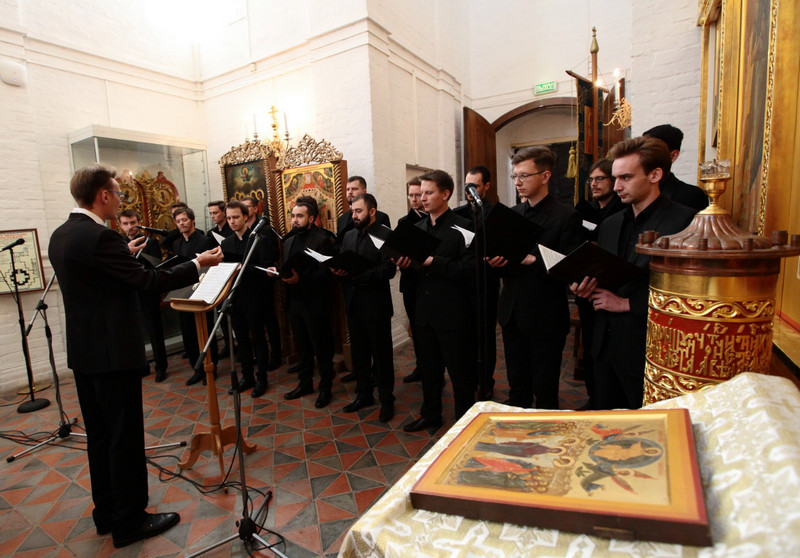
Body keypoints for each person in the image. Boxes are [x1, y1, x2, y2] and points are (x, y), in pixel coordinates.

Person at [48, 164, 223, 548]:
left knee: (100, 437)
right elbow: (148, 281)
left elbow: (94, 281)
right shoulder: (100, 237)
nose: (120, 199)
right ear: (103, 195)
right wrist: (198, 264)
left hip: (85, 353)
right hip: (113, 354)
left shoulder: (62, 234)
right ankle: (129, 521)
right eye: (117, 193)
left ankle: (107, 513)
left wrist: (123, 256)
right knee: (124, 438)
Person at [571, 136, 697, 409]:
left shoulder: (685, 221)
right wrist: (584, 285)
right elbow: (608, 275)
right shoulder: (611, 223)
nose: (617, 186)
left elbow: (689, 291)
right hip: (605, 345)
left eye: (626, 177)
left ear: (655, 175)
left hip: (649, 345)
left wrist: (629, 304)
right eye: (616, 178)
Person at [488, 146, 584, 409]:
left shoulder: (566, 216)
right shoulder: (513, 214)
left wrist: (533, 260)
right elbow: (506, 263)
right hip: (512, 311)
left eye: (524, 176)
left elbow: (571, 268)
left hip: (546, 314)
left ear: (545, 176)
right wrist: (496, 262)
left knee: (545, 388)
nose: (517, 182)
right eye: (515, 176)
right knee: (517, 384)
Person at [395, 170, 476, 432]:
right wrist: (404, 264)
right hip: (424, 312)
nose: (422, 198)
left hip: (453, 311)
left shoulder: (464, 226)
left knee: (460, 372)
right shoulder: (416, 229)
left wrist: (434, 262)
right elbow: (415, 271)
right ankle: (431, 414)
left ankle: (465, 421)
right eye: (421, 193)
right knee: (429, 370)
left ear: (445, 194)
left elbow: (471, 269)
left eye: (429, 193)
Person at [332, 193, 397, 422]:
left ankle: (387, 399)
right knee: (359, 354)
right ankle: (364, 394)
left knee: (382, 356)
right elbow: (344, 264)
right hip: (354, 303)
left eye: (358, 211)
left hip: (376, 305)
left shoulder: (385, 235)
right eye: (352, 211)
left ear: (372, 211)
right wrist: (338, 271)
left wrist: (359, 275)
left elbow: (388, 270)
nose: (354, 215)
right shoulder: (349, 235)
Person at [270, 196, 338, 408]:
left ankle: (325, 388)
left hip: (316, 302)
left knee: (322, 348)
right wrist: (277, 271)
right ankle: (305, 383)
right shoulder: (289, 241)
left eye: (300, 216)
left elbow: (326, 272)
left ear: (311, 218)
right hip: (295, 302)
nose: (295, 220)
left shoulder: (322, 239)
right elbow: (288, 267)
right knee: (303, 347)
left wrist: (302, 279)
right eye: (293, 216)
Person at [574, 158, 625, 409]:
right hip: (586, 288)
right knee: (591, 348)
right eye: (591, 180)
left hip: (611, 290)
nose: (594, 184)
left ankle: (606, 402)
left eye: (600, 179)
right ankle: (593, 398)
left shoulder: (620, 212)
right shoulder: (587, 210)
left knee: (610, 352)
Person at [220, 200, 277, 398]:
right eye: (229, 218)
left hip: (255, 297)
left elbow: (266, 267)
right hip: (235, 298)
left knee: (258, 339)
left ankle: (262, 378)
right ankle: (247, 377)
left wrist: (244, 268)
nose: (232, 221)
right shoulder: (226, 243)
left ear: (245, 217)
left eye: (236, 217)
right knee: (242, 340)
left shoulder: (259, 239)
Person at [455, 165, 501, 400]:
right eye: (467, 186)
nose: (469, 190)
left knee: (485, 335)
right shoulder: (458, 214)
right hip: (463, 284)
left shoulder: (495, 214)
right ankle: (470, 378)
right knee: (465, 335)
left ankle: (486, 381)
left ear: (486, 187)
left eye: (474, 186)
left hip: (486, 283)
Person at [118, 209, 169, 382]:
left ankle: (161, 366)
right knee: (135, 333)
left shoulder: (150, 242)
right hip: (129, 294)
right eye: (126, 223)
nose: (130, 227)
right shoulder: (120, 244)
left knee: (154, 330)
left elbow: (156, 266)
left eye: (133, 223)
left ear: (139, 223)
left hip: (147, 292)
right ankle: (142, 365)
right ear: (120, 226)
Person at [171, 207, 218, 385]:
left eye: (184, 220)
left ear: (192, 220)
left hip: (201, 290)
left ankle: (210, 367)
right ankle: (196, 369)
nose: (181, 223)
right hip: (183, 292)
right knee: (188, 332)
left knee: (206, 330)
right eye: (178, 221)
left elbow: (211, 265)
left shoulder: (205, 241)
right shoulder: (177, 243)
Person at [642, 124, 709, 211]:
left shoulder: (692, 196)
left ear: (673, 156)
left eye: (651, 150)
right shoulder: (630, 191)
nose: (641, 156)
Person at [397, 177, 425, 384]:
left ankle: (435, 369)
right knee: (415, 328)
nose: (414, 199)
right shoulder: (404, 222)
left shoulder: (434, 220)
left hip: (430, 282)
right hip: (411, 282)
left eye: (418, 195)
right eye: (411, 195)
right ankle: (420, 366)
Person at [336, 176, 390, 242]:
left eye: (354, 189)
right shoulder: (341, 219)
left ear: (364, 192)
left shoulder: (381, 217)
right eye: (348, 189)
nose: (350, 192)